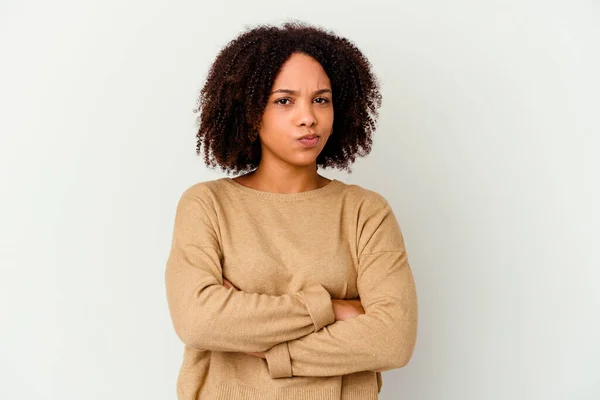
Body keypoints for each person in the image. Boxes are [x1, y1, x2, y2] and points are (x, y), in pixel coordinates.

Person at [165, 21, 418, 400]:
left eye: (321, 99)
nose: (308, 117)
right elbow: (198, 320)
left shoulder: (365, 211)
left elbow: (392, 339)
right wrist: (330, 307)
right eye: (284, 100)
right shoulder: (207, 205)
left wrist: (271, 352)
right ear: (253, 114)